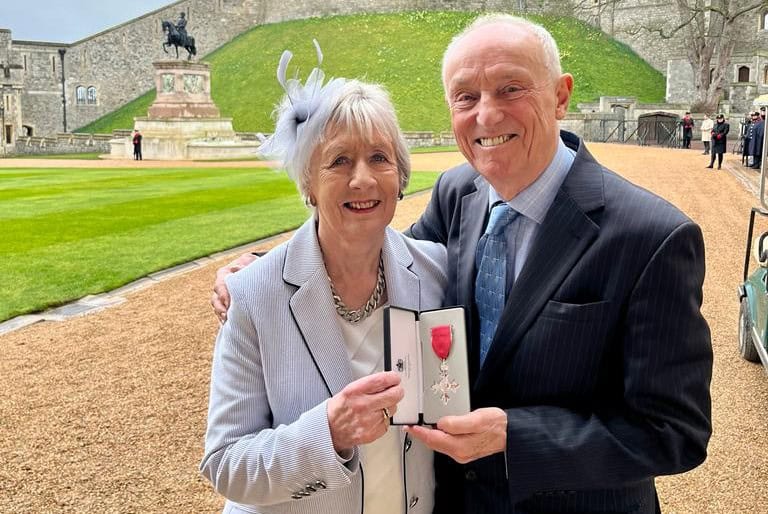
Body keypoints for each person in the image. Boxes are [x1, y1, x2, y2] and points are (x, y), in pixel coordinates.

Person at [212, 15, 712, 514]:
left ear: (561, 96)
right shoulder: (460, 194)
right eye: (466, 97)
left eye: (510, 88)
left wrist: (515, 436)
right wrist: (265, 270)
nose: (487, 116)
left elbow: (674, 431)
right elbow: (372, 251)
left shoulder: (653, 236)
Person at [199, 49, 446, 514]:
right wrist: (328, 432)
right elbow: (225, 463)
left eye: (379, 158)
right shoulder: (252, 294)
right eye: (339, 161)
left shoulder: (435, 271)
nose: (362, 179)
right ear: (308, 184)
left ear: (401, 178)